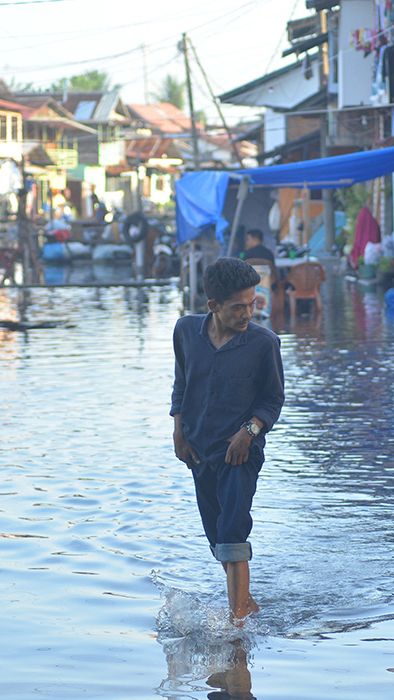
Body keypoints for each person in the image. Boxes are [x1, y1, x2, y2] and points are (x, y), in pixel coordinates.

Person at [171, 257, 285, 622]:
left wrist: (249, 432)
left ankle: (237, 625)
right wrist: (179, 432)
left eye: (252, 304)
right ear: (213, 306)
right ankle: (246, 603)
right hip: (199, 452)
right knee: (217, 538)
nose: (247, 313)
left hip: (241, 453)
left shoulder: (264, 344)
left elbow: (273, 400)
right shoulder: (186, 331)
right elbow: (182, 384)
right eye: (238, 307)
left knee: (233, 529)